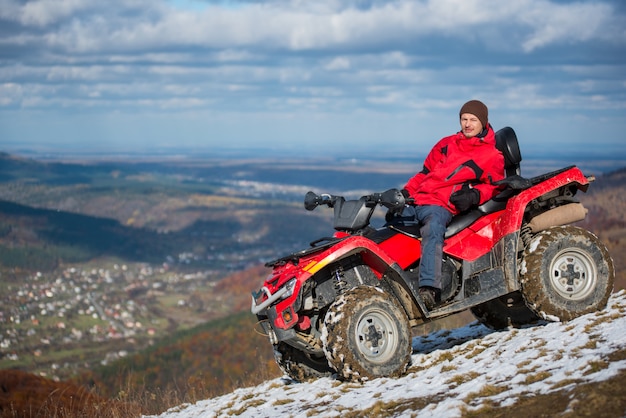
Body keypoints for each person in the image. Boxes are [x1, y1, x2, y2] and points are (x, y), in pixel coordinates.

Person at [401, 100, 505, 309]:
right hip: (419, 199)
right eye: (464, 119)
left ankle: (429, 288)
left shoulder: (491, 155)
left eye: (473, 120)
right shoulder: (446, 143)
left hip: (441, 205)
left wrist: (474, 195)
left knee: (433, 227)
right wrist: (404, 193)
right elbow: (425, 173)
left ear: (483, 123)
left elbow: (496, 186)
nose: (467, 124)